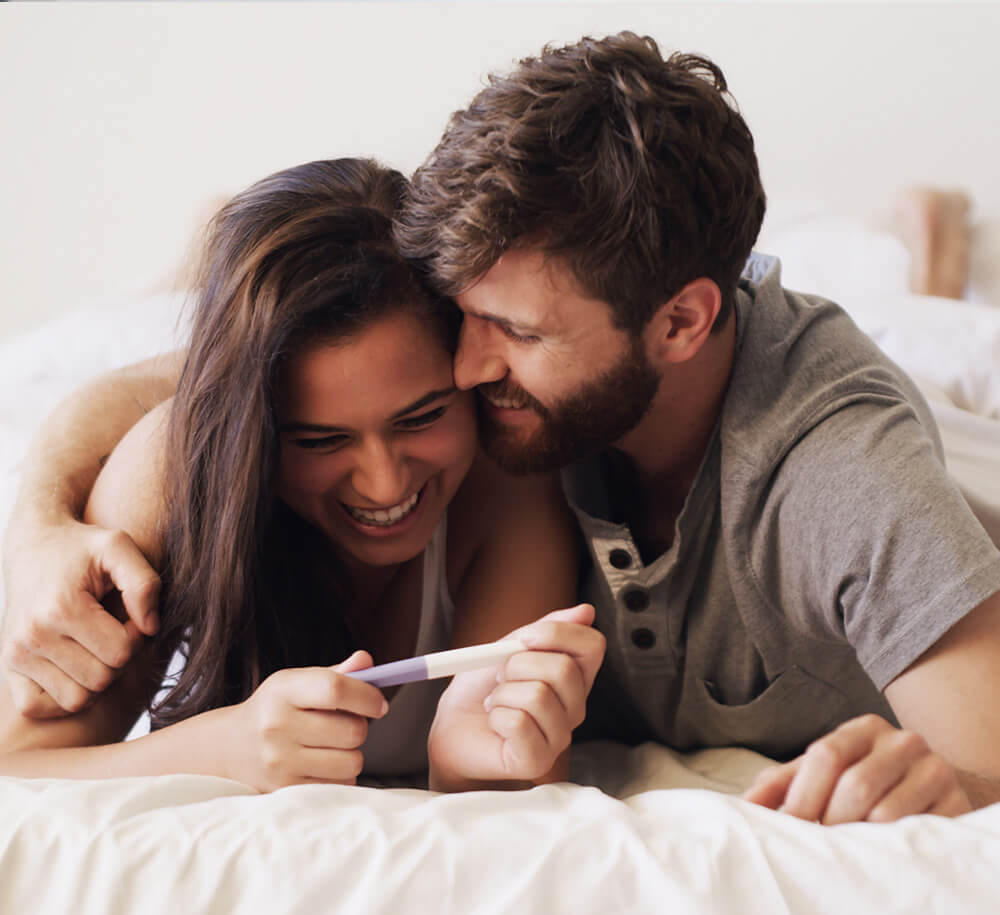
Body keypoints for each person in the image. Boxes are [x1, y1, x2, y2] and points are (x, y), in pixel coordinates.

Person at [4, 33, 1000, 822]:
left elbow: (982, 763)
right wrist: (40, 517)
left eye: (511, 336)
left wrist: (947, 784)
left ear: (680, 323)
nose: (470, 370)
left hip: (946, 457)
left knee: (944, 347)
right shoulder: (436, 381)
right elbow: (195, 381)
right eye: (319, 440)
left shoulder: (847, 479)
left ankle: (923, 273)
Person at [0, 157, 605, 793]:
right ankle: (189, 260)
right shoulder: (166, 476)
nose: (385, 485)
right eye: (321, 440)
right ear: (256, 435)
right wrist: (217, 749)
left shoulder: (504, 483)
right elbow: (17, 768)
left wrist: (467, 767)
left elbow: (501, 795)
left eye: (422, 417)